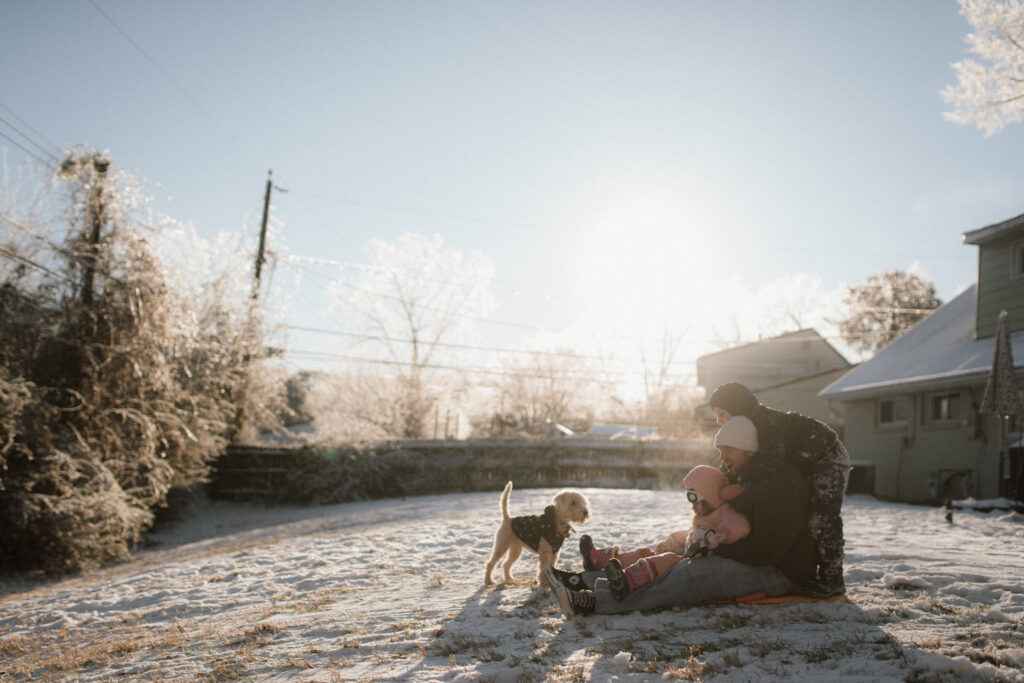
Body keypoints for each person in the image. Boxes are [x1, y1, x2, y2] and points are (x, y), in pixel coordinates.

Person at [545, 416, 817, 617]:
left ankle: (595, 602)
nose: (722, 459)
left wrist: (712, 545)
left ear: (748, 449)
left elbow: (767, 550)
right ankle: (582, 582)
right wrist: (691, 540)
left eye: (728, 451)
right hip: (747, 552)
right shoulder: (750, 473)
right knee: (665, 555)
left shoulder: (780, 484)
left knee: (689, 573)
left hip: (778, 572)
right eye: (720, 452)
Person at [709, 382, 850, 598]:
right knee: (804, 513)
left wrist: (741, 486)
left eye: (721, 413)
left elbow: (770, 459)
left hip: (827, 457)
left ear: (736, 407)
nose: (718, 420)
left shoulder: (764, 422)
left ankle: (833, 580)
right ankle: (807, 570)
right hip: (806, 460)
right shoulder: (749, 426)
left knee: (822, 516)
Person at [575, 462, 751, 601]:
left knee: (667, 559)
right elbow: (691, 532)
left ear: (711, 495)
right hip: (687, 553)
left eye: (697, 502)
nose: (694, 508)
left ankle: (626, 581)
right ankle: (599, 560)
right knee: (647, 553)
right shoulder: (703, 515)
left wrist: (717, 536)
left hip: (696, 565)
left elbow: (741, 525)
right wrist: (674, 540)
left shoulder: (725, 512)